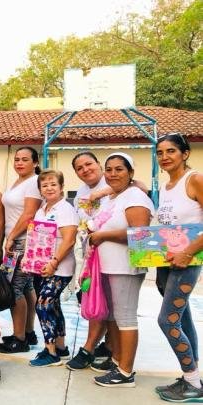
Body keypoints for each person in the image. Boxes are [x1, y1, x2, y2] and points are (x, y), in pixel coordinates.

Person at [89, 152, 153, 388]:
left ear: (131, 173)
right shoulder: (114, 197)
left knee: (126, 318)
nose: (113, 174)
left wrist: (102, 235)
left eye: (119, 169)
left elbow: (140, 233)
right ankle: (117, 360)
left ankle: (125, 373)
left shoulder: (135, 196)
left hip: (125, 267)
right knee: (114, 317)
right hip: (108, 267)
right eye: (109, 169)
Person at [153, 134, 203, 402]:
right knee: (182, 318)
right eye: (160, 152)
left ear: (185, 153)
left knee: (166, 320)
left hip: (188, 262)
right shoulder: (166, 185)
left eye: (171, 151)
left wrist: (187, 252)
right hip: (166, 262)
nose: (165, 157)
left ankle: (193, 384)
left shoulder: (195, 179)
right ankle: (191, 378)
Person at [66, 152, 113, 370]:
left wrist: (103, 191)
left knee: (112, 303)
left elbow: (136, 185)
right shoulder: (80, 193)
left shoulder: (112, 179)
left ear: (99, 164)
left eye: (89, 164)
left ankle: (89, 348)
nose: (85, 169)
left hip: (113, 251)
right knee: (96, 300)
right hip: (90, 253)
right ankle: (107, 345)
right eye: (79, 167)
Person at [28, 170, 78, 367]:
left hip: (60, 268)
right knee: (53, 305)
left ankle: (51, 353)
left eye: (53, 184)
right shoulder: (42, 210)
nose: (48, 188)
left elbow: (69, 240)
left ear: (61, 187)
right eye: (44, 185)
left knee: (42, 305)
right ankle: (60, 347)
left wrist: (54, 262)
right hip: (43, 267)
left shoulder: (65, 209)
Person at [0, 147, 42, 353]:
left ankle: (20, 338)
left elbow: (29, 214)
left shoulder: (33, 182)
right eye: (17, 159)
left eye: (25, 159)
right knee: (27, 287)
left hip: (22, 241)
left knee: (15, 287)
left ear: (35, 162)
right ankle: (29, 332)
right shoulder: (20, 181)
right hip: (17, 239)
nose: (19, 163)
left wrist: (11, 237)